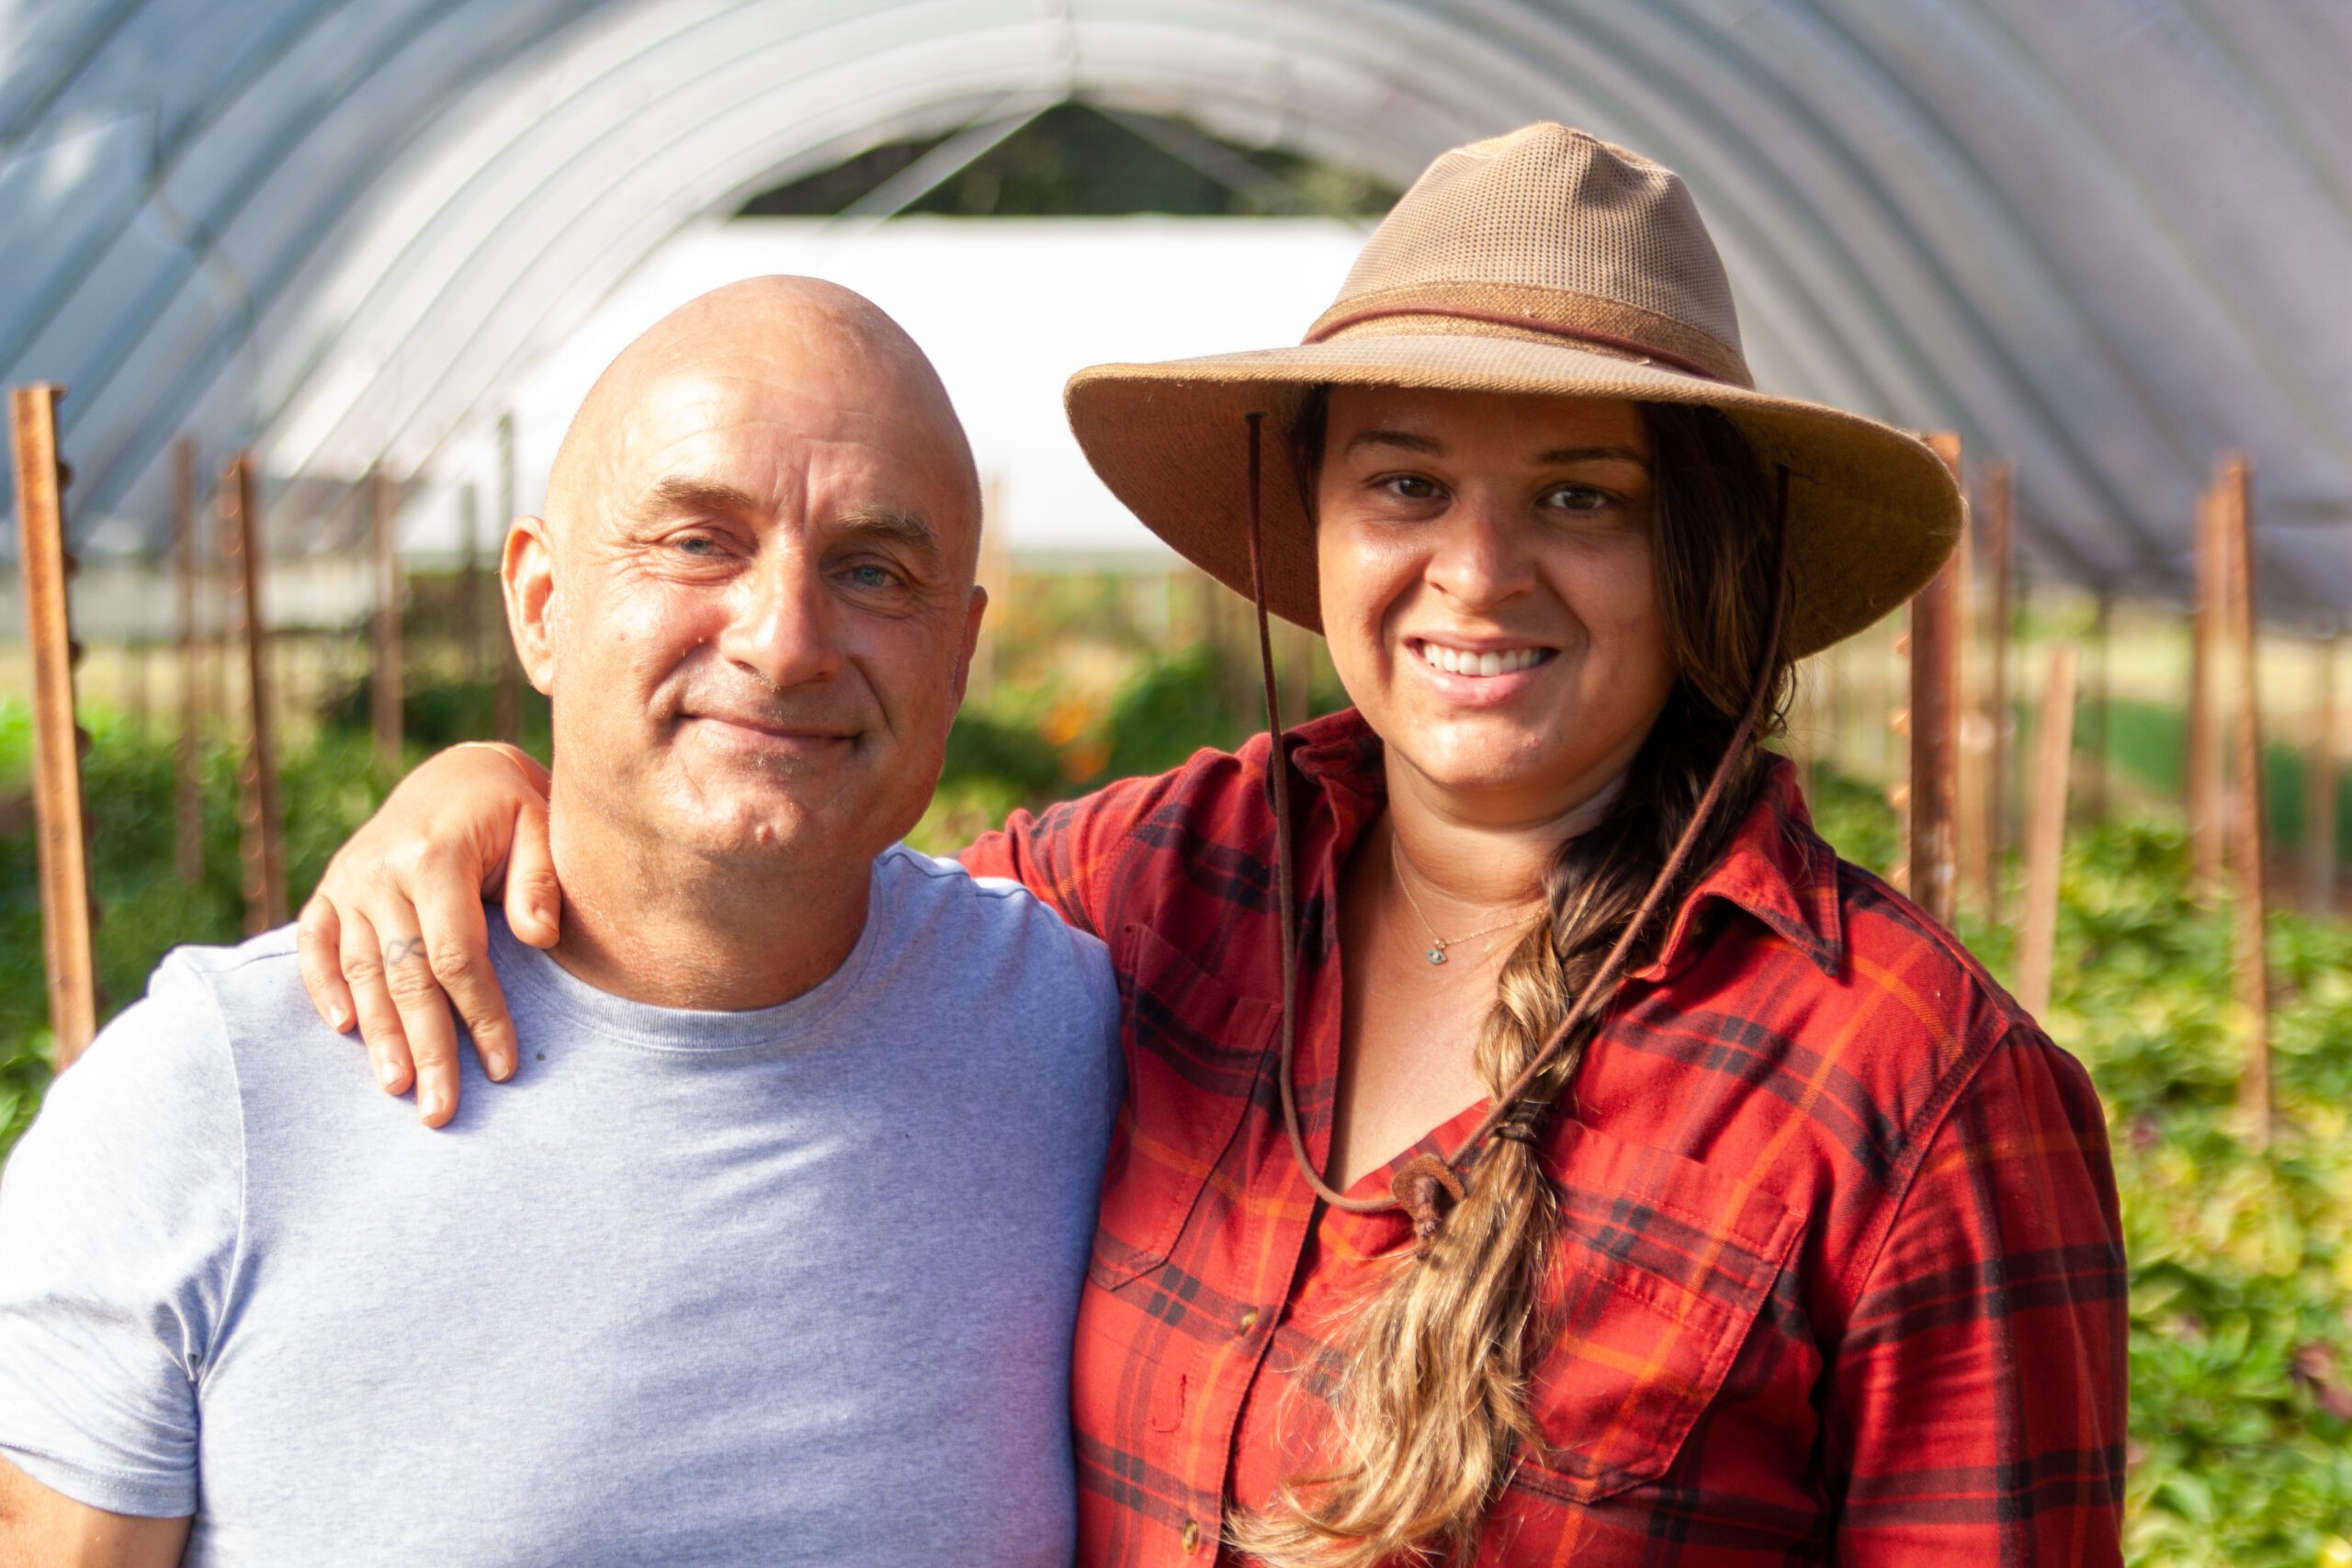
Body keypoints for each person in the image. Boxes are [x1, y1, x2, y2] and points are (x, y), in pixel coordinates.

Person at [293, 126, 2126, 1564]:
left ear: (1702, 557)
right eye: (1403, 479)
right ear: (1318, 521)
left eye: (1580, 496)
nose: (1474, 571)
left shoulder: (1905, 1089)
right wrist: (497, 781)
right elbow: (765, 873)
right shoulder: (1162, 888)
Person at [0, 277, 1119, 1566]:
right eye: (700, 542)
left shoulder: (1078, 1038)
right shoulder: (224, 1093)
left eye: (874, 569)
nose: (787, 638)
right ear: (540, 604)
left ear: (961, 652)